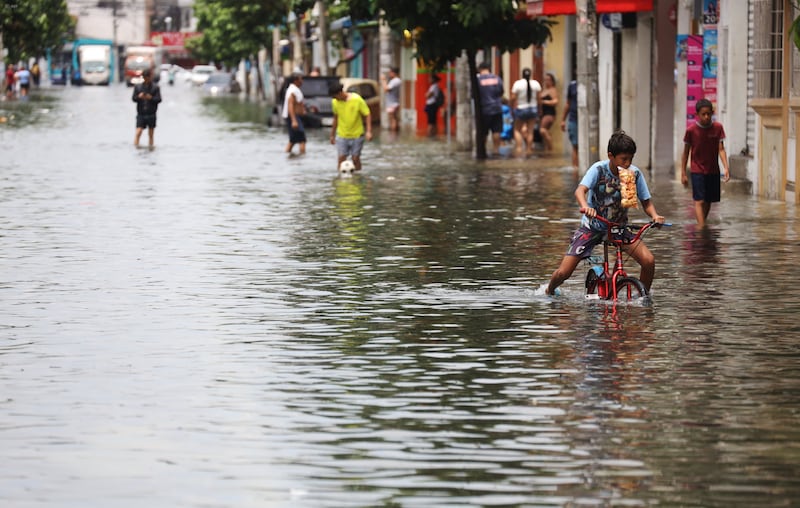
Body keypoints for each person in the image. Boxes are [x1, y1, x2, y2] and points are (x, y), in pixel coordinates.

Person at [545, 131, 666, 296]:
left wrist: (654, 216)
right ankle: (549, 290)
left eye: (630, 159)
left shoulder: (633, 173)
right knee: (563, 272)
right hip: (592, 227)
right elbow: (580, 191)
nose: (628, 163)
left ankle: (642, 297)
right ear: (611, 156)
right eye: (624, 159)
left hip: (618, 228)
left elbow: (646, 203)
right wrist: (585, 207)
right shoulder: (598, 169)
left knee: (649, 261)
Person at [680, 98, 730, 227]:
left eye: (709, 114)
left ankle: (702, 223)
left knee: (709, 200)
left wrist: (726, 168)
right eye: (703, 114)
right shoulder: (691, 131)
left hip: (713, 170)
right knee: (699, 200)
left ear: (712, 113)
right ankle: (701, 228)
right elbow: (685, 153)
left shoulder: (718, 128)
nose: (706, 117)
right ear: (697, 114)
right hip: (697, 170)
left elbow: (721, 149)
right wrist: (683, 173)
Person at [329, 82, 373, 171]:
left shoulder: (357, 99)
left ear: (340, 93)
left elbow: (367, 114)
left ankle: (358, 177)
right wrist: (332, 135)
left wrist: (368, 131)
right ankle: (340, 179)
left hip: (357, 135)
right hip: (342, 134)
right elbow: (336, 118)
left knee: (355, 158)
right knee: (341, 158)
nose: (335, 99)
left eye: (335, 97)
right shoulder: (335, 102)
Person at [510, 67, 541, 157]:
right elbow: (539, 99)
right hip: (533, 108)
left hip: (521, 109)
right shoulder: (536, 84)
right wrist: (539, 109)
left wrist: (511, 107)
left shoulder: (517, 84)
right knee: (530, 131)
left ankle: (519, 148)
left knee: (517, 130)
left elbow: (513, 98)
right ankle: (529, 149)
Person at [476, 61, 504, 156]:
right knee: (496, 131)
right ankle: (496, 150)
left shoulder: (478, 80)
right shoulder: (497, 78)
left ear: (480, 69)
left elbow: (475, 95)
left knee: (483, 132)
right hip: (497, 108)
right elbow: (501, 91)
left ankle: (482, 151)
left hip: (484, 109)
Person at [132, 69, 162, 147]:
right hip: (141, 113)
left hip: (151, 113)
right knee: (138, 132)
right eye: (145, 77)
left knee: (151, 134)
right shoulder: (138, 87)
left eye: (148, 77)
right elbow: (134, 99)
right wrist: (139, 97)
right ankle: (136, 146)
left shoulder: (155, 87)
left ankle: (151, 147)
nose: (146, 79)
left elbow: (159, 99)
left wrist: (150, 98)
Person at [281, 73, 306, 156]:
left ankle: (288, 156)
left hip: (295, 117)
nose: (302, 81)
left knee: (293, 140)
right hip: (294, 117)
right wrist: (294, 120)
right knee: (302, 140)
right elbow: (290, 105)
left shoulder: (294, 89)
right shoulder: (292, 91)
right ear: (296, 81)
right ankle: (302, 157)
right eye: (300, 79)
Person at [560, 75, 578, 169]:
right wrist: (563, 120)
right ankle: (575, 168)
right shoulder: (572, 85)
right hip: (573, 119)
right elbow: (568, 103)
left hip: (584, 122)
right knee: (575, 145)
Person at [539, 72, 559, 152]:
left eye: (548, 80)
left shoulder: (553, 90)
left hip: (549, 113)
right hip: (544, 113)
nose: (546, 81)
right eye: (545, 80)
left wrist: (544, 102)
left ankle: (551, 148)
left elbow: (556, 101)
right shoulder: (544, 90)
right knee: (545, 130)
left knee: (543, 130)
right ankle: (548, 148)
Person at [381, 67, 402, 132]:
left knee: (392, 118)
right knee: (394, 118)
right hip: (393, 102)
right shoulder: (396, 81)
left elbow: (386, 89)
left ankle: (393, 134)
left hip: (392, 103)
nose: (389, 74)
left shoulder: (395, 81)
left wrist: (383, 80)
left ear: (393, 73)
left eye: (390, 72)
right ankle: (395, 133)